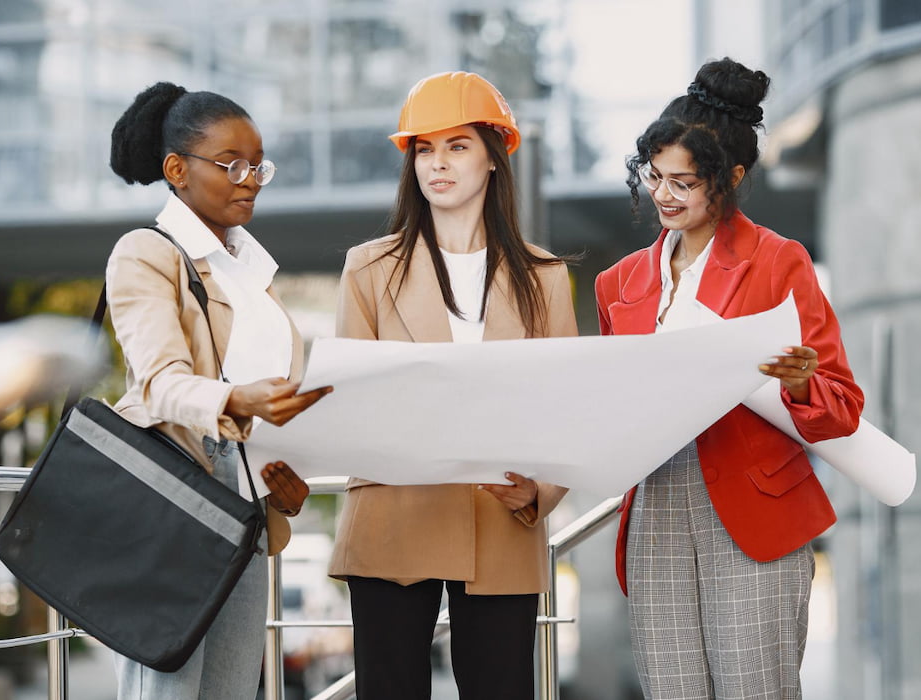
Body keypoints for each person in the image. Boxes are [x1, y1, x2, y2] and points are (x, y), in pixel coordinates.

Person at [595, 58, 864, 699]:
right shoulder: (618, 283)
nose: (664, 195)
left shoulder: (778, 261)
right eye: (655, 178)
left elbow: (843, 406)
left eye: (684, 183)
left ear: (732, 177)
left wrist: (801, 382)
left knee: (755, 690)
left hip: (752, 511)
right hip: (656, 510)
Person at [326, 71, 577, 700]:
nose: (437, 164)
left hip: (499, 516)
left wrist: (540, 491)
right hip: (394, 513)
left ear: (495, 155)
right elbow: (348, 394)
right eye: (424, 150)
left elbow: (568, 407)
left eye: (457, 146)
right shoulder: (369, 267)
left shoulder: (542, 277)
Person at [105, 81, 332, 700]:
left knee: (233, 690)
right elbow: (159, 384)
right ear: (176, 169)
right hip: (176, 499)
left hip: (246, 513)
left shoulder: (250, 274)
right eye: (232, 164)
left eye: (258, 165)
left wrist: (286, 484)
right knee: (169, 689)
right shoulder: (146, 254)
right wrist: (239, 402)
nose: (251, 178)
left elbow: (269, 402)